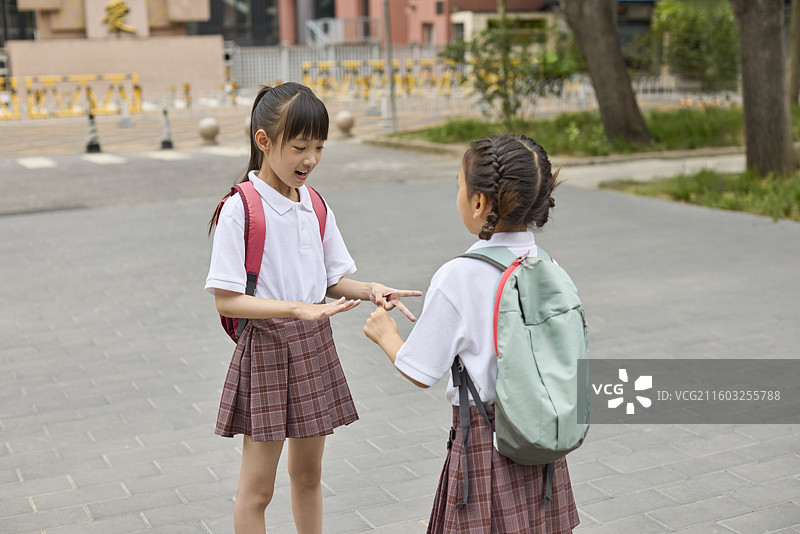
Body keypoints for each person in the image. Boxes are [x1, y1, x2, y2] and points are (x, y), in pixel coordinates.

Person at [205, 82, 421, 534]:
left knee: (309, 476)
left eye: (319, 147)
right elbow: (226, 298)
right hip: (266, 348)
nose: (310, 160)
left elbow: (331, 279)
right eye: (300, 147)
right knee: (256, 491)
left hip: (313, 345)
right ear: (263, 141)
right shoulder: (240, 208)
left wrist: (370, 289)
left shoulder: (315, 205)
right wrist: (295, 310)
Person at [363, 135, 580, 533]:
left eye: (459, 187)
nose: (458, 196)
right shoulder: (546, 263)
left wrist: (385, 334)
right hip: (541, 436)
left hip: (487, 441)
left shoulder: (459, 275)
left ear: (479, 203)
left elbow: (420, 370)